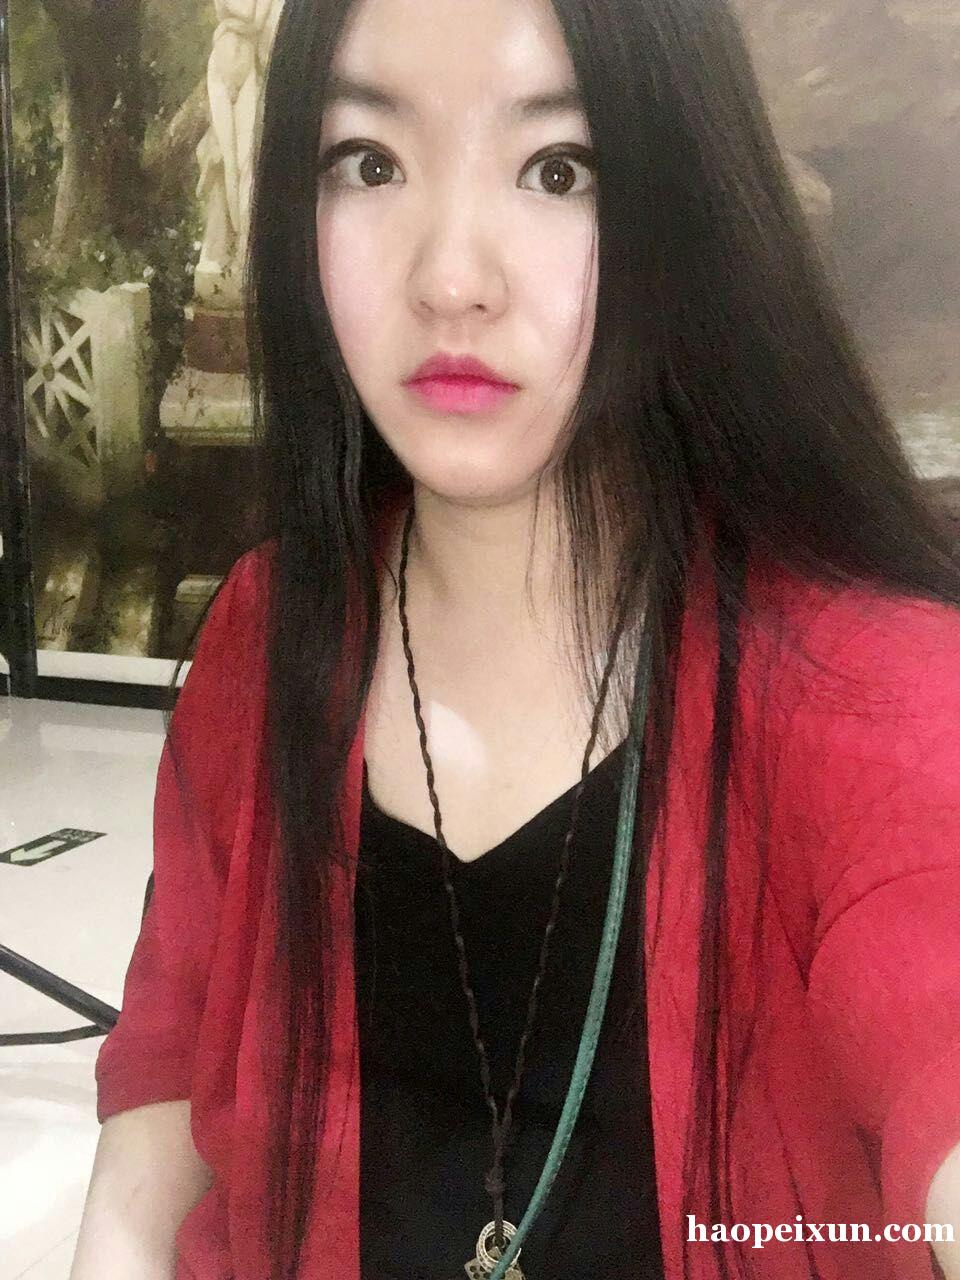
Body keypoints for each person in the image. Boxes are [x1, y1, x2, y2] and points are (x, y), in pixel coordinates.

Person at [69, 0, 960, 1277]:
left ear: (685, 206)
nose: (450, 278)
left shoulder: (868, 689)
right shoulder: (270, 635)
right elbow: (164, 1080)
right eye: (369, 161)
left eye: (557, 168)